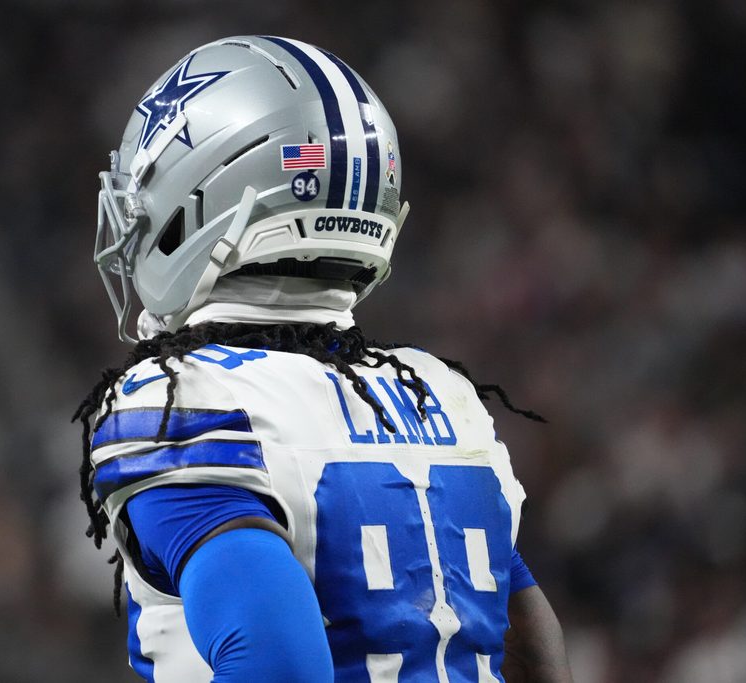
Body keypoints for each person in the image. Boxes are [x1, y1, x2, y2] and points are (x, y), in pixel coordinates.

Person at [73, 35, 573, 682]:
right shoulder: (440, 394)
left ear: (202, 197)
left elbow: (278, 661)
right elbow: (533, 645)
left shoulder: (179, 401)